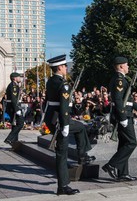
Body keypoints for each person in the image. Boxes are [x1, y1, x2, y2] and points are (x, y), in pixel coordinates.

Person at [44, 54, 94, 195]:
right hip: (60, 119)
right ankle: (81, 157)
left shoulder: (50, 81)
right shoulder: (63, 84)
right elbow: (64, 106)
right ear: (60, 67)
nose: (66, 68)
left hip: (52, 118)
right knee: (64, 150)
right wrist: (65, 124)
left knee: (64, 148)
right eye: (65, 66)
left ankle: (82, 156)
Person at [102, 56, 137, 182]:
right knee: (131, 143)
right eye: (127, 65)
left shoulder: (121, 79)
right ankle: (111, 165)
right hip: (123, 116)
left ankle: (123, 173)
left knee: (124, 143)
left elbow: (126, 99)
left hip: (124, 114)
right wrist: (123, 117)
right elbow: (118, 100)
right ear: (121, 66)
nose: (128, 67)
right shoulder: (119, 80)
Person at [4, 72, 24, 145]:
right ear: (15, 78)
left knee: (15, 124)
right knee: (20, 123)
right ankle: (9, 138)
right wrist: (17, 109)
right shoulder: (13, 86)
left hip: (14, 106)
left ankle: (14, 142)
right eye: (19, 77)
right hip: (14, 107)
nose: (20, 78)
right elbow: (13, 99)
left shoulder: (15, 85)